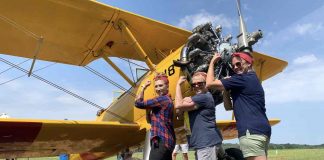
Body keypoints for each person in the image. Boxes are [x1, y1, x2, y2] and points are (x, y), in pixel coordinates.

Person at [206, 52, 271, 160]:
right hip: (262, 131)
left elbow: (209, 83)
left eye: (238, 64)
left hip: (251, 132)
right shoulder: (252, 79)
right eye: (233, 66)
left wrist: (212, 62)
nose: (235, 68)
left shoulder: (242, 79)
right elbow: (228, 107)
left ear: (249, 63)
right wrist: (226, 88)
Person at [175, 72, 223, 160]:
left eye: (200, 83)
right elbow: (179, 110)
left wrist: (178, 86)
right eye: (194, 84)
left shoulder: (204, 97)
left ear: (206, 84)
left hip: (206, 143)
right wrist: (184, 101)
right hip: (203, 143)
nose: (196, 86)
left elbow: (178, 105)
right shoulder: (201, 98)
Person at [135, 73, 175, 160]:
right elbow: (150, 121)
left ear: (167, 86)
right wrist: (148, 110)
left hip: (162, 141)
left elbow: (138, 103)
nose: (158, 89)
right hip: (167, 141)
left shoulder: (163, 99)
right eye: (156, 86)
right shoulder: (167, 100)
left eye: (161, 85)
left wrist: (143, 88)